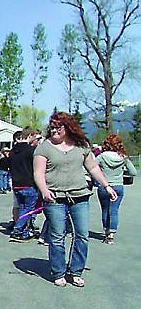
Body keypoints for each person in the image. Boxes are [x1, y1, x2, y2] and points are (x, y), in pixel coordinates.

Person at [34, 112, 117, 287]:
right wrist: (44, 191)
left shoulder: (82, 145)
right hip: (55, 198)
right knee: (56, 236)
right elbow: (38, 173)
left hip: (80, 196)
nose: (54, 131)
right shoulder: (44, 148)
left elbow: (93, 168)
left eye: (58, 127)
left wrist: (106, 186)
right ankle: (58, 272)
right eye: (52, 127)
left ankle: (76, 271)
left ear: (68, 127)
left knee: (82, 235)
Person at [95, 134, 137, 244]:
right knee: (114, 211)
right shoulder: (123, 157)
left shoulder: (102, 156)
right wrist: (122, 171)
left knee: (105, 210)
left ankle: (106, 231)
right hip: (118, 186)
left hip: (104, 186)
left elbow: (92, 168)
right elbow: (133, 172)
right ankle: (111, 234)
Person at [8, 127, 39, 242]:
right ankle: (17, 230)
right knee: (29, 209)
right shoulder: (31, 151)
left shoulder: (12, 151)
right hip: (28, 183)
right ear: (30, 135)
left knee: (22, 208)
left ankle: (25, 232)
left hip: (16, 184)